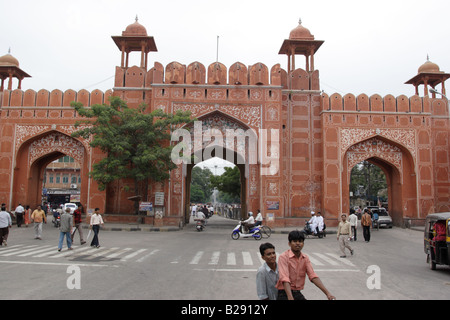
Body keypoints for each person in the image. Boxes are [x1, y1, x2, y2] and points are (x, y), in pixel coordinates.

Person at [276, 230, 335, 300]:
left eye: (300, 241)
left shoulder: (305, 258)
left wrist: (328, 293)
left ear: (303, 243)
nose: (297, 243)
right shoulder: (283, 257)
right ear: (289, 243)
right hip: (284, 293)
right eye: (294, 241)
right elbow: (285, 278)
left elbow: (312, 276)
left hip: (297, 293)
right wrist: (290, 297)